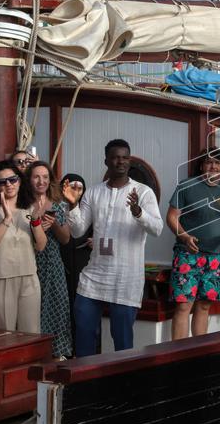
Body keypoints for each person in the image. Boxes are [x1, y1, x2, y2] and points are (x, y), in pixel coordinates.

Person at [63, 139, 162, 356]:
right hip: (95, 275)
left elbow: (157, 228)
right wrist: (72, 205)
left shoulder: (143, 192)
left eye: (125, 157)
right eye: (115, 157)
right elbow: (78, 231)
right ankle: (84, 383)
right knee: (84, 330)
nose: (121, 161)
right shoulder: (94, 192)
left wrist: (138, 212)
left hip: (126, 277)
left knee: (122, 339)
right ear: (106, 161)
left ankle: (122, 386)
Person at [166, 148, 220, 339]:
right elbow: (171, 217)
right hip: (187, 254)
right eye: (208, 162)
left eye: (218, 163)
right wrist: (185, 237)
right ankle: (179, 355)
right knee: (183, 305)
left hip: (216, 256)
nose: (213, 166)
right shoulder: (186, 186)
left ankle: (199, 353)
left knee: (204, 305)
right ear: (202, 166)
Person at [0, 160, 48, 333]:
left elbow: (41, 245)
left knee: (31, 333)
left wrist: (36, 220)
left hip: (29, 276)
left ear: (20, 181)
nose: (9, 184)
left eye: (13, 179)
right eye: (2, 182)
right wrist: (6, 220)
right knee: (2, 335)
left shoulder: (28, 209)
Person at [29, 161, 73, 359]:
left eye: (45, 177)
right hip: (29, 261)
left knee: (58, 306)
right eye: (36, 176)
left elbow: (65, 239)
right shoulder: (21, 205)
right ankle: (34, 353)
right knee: (32, 310)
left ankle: (58, 352)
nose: (41, 181)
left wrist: (54, 224)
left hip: (53, 262)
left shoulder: (57, 205)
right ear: (29, 179)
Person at [58, 173, 91, 311]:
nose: (76, 191)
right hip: (62, 258)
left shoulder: (88, 209)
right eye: (72, 187)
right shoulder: (57, 207)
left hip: (83, 260)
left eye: (80, 188)